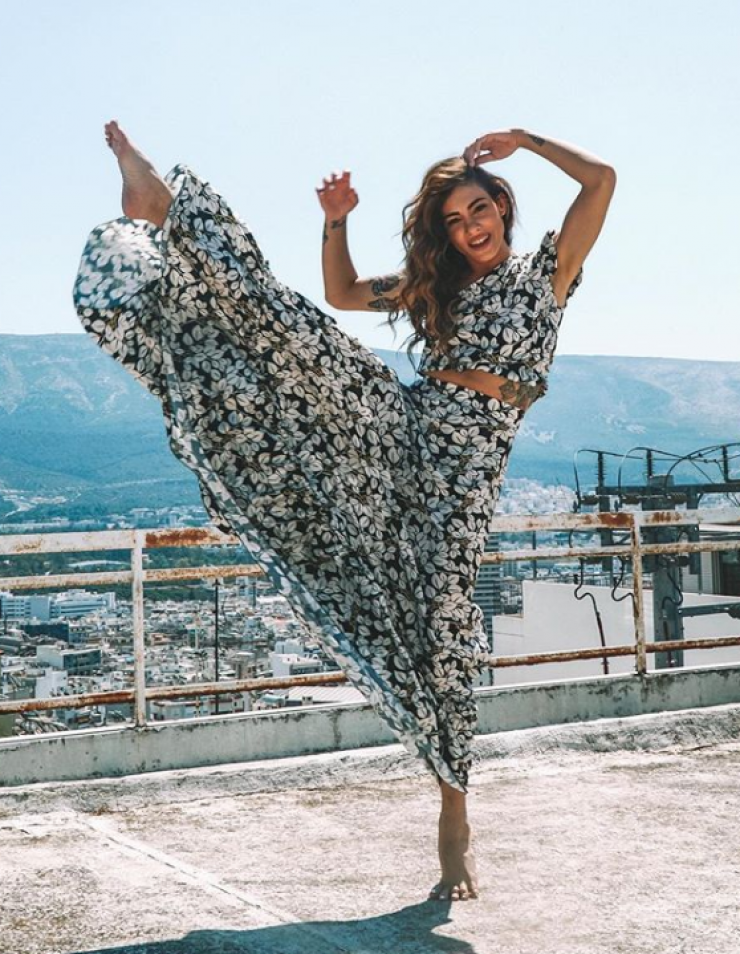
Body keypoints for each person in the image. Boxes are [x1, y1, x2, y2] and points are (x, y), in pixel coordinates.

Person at [73, 121, 615, 903]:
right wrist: (336, 222)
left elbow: (600, 182)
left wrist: (525, 141)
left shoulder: (548, 275)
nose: (470, 228)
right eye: (454, 220)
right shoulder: (437, 287)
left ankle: (453, 813)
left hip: (465, 473)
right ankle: (164, 208)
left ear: (501, 205)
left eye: (478, 210)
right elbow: (341, 295)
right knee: (297, 344)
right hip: (403, 427)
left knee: (441, 625)